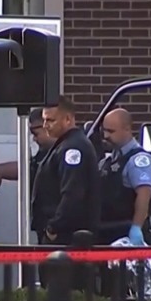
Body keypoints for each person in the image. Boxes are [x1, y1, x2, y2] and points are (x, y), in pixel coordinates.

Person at [31, 96, 101, 246]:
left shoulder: (73, 148)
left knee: (59, 270)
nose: (45, 125)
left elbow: (73, 192)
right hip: (62, 234)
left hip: (66, 237)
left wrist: (54, 227)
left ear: (67, 119)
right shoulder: (65, 144)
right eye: (44, 120)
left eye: (50, 120)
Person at [96, 108, 151, 246]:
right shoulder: (107, 161)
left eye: (111, 131)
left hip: (125, 233)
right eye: (104, 130)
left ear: (127, 129)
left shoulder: (138, 160)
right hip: (105, 231)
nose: (105, 135)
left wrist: (136, 228)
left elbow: (144, 196)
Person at [0, 108, 55, 184]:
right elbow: (27, 168)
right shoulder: (45, 153)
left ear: (47, 127)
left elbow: (26, 170)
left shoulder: (63, 152)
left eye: (36, 134)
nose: (34, 139)